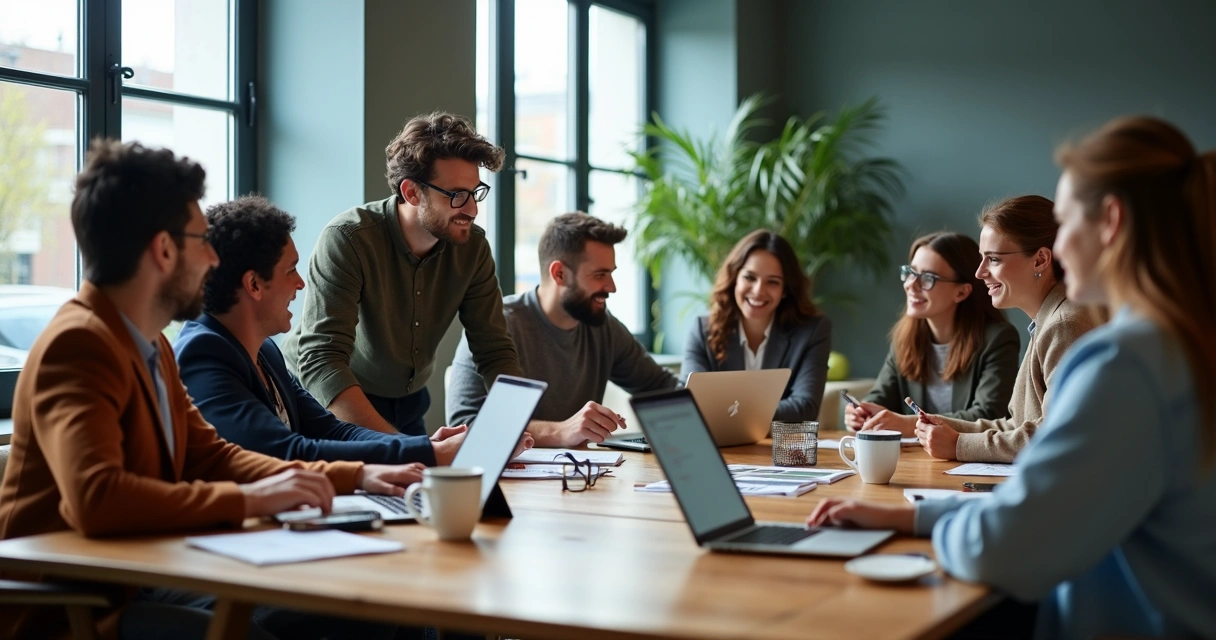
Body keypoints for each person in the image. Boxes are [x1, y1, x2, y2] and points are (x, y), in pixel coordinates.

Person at [809, 116, 1216, 639]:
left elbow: (1004, 546)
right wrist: (910, 518)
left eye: (1065, 223)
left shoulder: (1124, 363)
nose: (1059, 247)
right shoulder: (1180, 343)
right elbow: (1050, 505)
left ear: (1110, 221)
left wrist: (918, 523)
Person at [0, 141, 424, 640]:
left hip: (141, 576)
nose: (211, 258)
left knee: (369, 604)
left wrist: (355, 475)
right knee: (342, 613)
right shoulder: (80, 344)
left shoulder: (149, 342)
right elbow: (98, 498)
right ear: (163, 250)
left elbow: (212, 455)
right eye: (202, 240)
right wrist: (249, 500)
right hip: (77, 613)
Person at [176, 196, 484, 467]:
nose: (300, 283)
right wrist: (429, 454)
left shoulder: (266, 352)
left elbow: (334, 430)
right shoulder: (204, 354)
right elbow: (287, 452)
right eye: (290, 270)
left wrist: (423, 446)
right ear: (254, 284)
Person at [282, 112, 522, 437]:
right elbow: (322, 359)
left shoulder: (472, 247)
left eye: (475, 192)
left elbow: (493, 349)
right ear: (411, 192)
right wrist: (405, 447)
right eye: (456, 196)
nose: (472, 210)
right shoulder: (349, 238)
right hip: (330, 400)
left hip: (407, 402)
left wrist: (514, 426)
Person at [446, 212, 678, 447]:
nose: (612, 287)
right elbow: (463, 427)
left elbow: (663, 387)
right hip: (511, 471)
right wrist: (559, 432)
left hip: (583, 469)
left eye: (611, 273)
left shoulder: (604, 328)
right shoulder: (495, 326)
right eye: (600, 275)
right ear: (559, 273)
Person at [915, 196, 1099, 462]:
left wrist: (958, 445)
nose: (979, 273)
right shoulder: (1048, 321)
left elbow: (1056, 433)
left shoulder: (1064, 325)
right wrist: (945, 428)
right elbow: (1016, 426)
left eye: (993, 259)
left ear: (1040, 260)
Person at [845, 232, 1019, 435]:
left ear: (961, 292)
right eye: (911, 272)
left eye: (928, 278)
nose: (910, 284)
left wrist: (908, 424)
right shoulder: (905, 338)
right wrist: (863, 412)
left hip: (966, 453)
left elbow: (988, 415)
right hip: (914, 454)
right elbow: (882, 397)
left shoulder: (997, 339)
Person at [682, 230, 832, 422]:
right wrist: (749, 413)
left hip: (777, 441)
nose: (758, 291)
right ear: (734, 278)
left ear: (785, 290)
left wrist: (732, 413)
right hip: (718, 440)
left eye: (772, 282)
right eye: (750, 278)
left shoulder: (812, 331)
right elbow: (690, 401)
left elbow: (805, 407)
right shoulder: (702, 330)